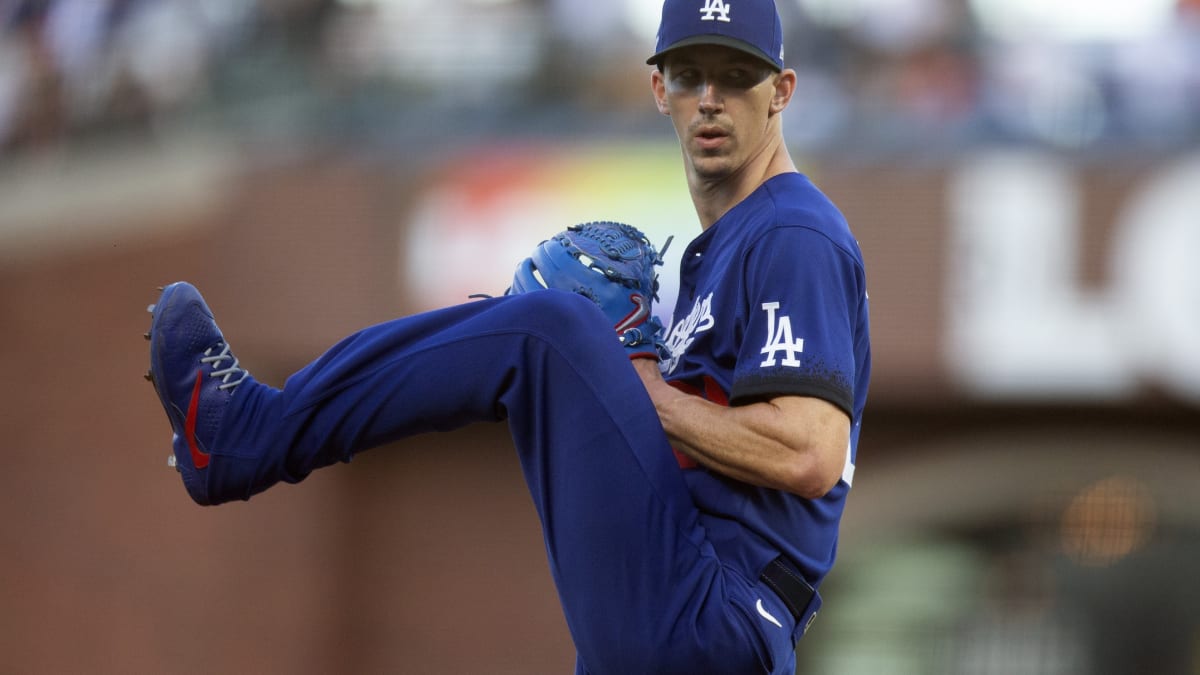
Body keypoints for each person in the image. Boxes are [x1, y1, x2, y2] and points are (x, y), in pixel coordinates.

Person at [144, 0, 870, 672]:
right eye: (690, 74)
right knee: (558, 342)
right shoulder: (725, 247)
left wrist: (638, 389)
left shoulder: (793, 232)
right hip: (687, 614)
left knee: (550, 329)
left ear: (782, 91)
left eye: (738, 74)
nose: (711, 97)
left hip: (719, 612)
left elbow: (809, 449)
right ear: (659, 91)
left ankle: (248, 434)